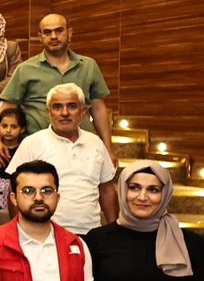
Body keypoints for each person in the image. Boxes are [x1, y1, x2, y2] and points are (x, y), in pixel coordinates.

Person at [9, 84, 120, 233]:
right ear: (48, 112)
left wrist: (115, 232)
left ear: (83, 111)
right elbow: (14, 189)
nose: (65, 113)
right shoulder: (32, 143)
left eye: (72, 106)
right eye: (57, 107)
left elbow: (107, 190)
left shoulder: (96, 143)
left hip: (91, 234)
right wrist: (19, 233)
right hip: (44, 234)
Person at [0, 13, 113, 141]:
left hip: (81, 145)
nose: (53, 36)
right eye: (47, 32)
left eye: (59, 31)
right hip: (38, 147)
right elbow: (7, 109)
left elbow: (98, 108)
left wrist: (108, 147)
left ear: (70, 33)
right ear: (40, 37)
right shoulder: (25, 69)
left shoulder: (88, 66)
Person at [0, 105, 27, 216]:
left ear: (22, 129)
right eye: (4, 126)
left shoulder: (25, 150)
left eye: (14, 127)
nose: (8, 130)